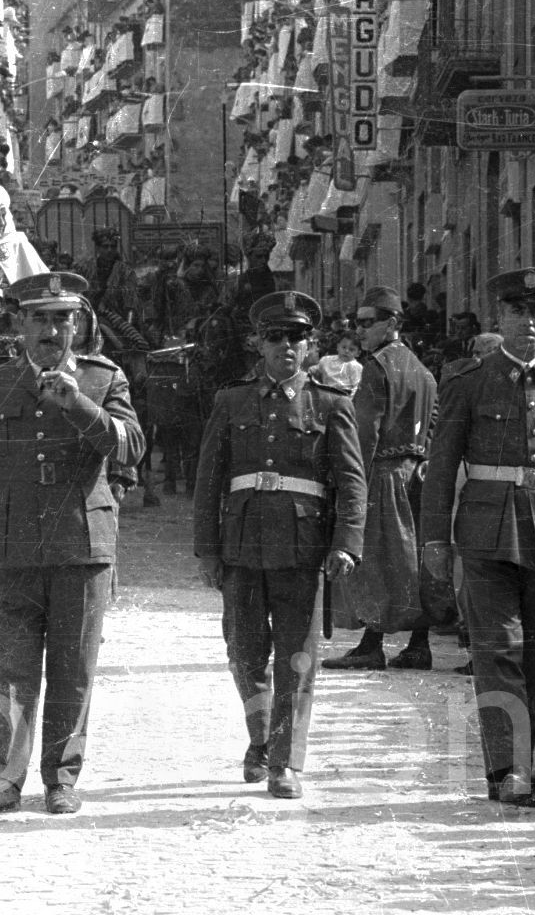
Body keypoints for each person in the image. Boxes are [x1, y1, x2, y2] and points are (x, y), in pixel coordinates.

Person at [0, 271, 146, 814]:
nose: (52, 330)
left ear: (78, 324)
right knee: (11, 665)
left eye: (63, 318)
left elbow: (131, 448)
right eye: (40, 318)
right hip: (9, 550)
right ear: (19, 324)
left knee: (72, 667)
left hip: (80, 549)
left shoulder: (104, 379)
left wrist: (80, 405)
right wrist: (3, 512)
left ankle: (60, 778)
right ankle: (5, 775)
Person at [420, 267, 535, 808]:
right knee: (496, 651)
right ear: (500, 317)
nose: (530, 322)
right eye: (519, 312)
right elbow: (441, 467)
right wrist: (435, 539)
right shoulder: (468, 379)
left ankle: (514, 766)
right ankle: (510, 772)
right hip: (483, 532)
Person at [194, 291, 366, 799]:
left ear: (310, 345)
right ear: (259, 343)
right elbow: (209, 479)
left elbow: (352, 482)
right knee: (244, 652)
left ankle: (285, 762)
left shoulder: (331, 403)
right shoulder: (231, 400)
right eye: (275, 337)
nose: (286, 347)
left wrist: (347, 543)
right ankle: (260, 738)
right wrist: (207, 548)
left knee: (297, 657)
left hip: (303, 547)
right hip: (242, 546)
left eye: (296, 337)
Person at [324, 286, 443, 671]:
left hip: (383, 472)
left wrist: (345, 476)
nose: (358, 330)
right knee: (414, 559)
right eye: (355, 323)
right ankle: (419, 644)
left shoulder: (378, 367)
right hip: (417, 472)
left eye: (366, 323)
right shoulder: (421, 369)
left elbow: (364, 432)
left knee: (376, 557)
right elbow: (434, 423)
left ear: (391, 324)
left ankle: (371, 645)